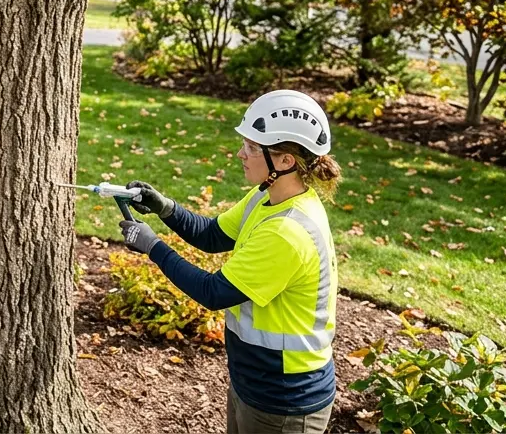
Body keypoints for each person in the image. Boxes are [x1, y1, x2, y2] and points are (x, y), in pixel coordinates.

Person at [117, 90, 343, 434]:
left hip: (284, 401)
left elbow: (214, 292)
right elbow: (212, 235)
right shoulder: (266, 197)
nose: (241, 154)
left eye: (252, 148)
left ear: (285, 161)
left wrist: (153, 247)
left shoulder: (287, 232)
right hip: (254, 385)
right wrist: (165, 208)